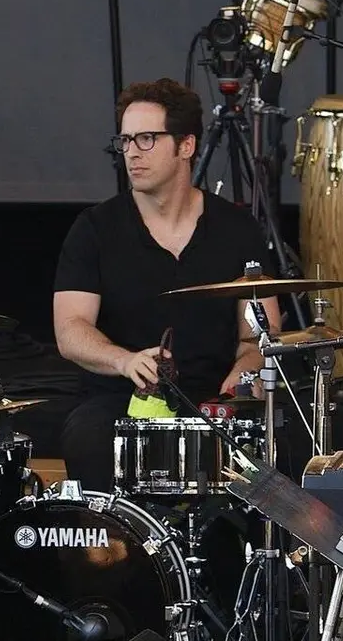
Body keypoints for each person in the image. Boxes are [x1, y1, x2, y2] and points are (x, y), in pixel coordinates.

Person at [51, 78, 282, 493]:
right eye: (125, 141)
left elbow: (259, 336)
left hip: (213, 398)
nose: (132, 152)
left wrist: (243, 376)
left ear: (186, 145)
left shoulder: (237, 229)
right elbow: (70, 330)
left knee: (286, 440)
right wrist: (124, 361)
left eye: (146, 139)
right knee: (87, 436)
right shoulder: (95, 229)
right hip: (121, 398)